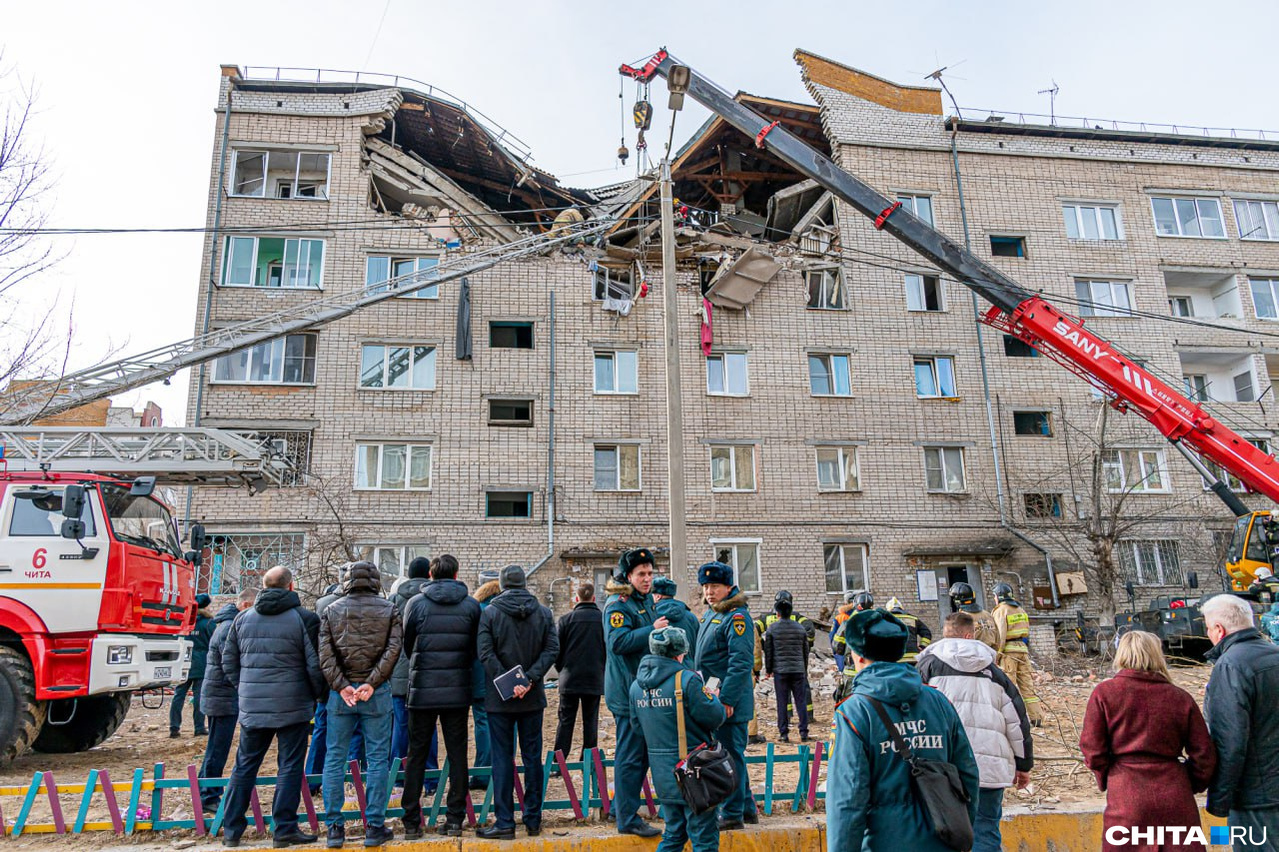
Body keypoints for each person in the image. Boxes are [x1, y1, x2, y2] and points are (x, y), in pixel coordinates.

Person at [827, 608, 980, 852]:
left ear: (858, 656)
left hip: (883, 842)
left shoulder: (854, 713)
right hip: (942, 839)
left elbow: (847, 800)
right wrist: (962, 829)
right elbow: (968, 774)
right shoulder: (938, 702)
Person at [1079, 630, 1216, 852]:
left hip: (1126, 794)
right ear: (1157, 655)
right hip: (1174, 793)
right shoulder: (1179, 696)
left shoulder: (1104, 693)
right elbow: (1204, 754)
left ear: (1121, 655)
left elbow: (1092, 750)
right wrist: (1187, 782)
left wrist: (1109, 778)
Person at [220, 566, 326, 848]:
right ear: (291, 587)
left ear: (264, 586)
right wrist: (319, 696)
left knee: (245, 766)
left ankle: (232, 830)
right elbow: (314, 665)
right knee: (289, 767)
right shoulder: (304, 619)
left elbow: (228, 661)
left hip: (253, 706)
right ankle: (285, 829)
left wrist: (244, 689)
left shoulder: (243, 618)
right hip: (294, 704)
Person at [917, 611, 1033, 852]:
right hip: (987, 768)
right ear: (970, 635)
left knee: (938, 831)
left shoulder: (926, 667)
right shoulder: (994, 674)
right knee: (986, 830)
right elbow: (1017, 723)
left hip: (941, 765)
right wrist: (1024, 765)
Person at [318, 561, 402, 849]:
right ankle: (374, 826)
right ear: (376, 580)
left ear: (346, 581)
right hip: (375, 693)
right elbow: (393, 650)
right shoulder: (389, 609)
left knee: (334, 759)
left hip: (342, 695)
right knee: (378, 759)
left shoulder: (332, 609)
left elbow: (325, 655)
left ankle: (334, 829)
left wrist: (342, 686)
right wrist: (372, 683)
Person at [401, 554, 481, 839]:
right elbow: (475, 647)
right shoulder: (471, 605)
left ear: (431, 575)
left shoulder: (416, 603)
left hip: (422, 688)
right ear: (457, 575)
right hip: (458, 688)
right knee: (458, 754)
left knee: (417, 754)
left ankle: (412, 821)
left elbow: (408, 644)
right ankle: (455, 818)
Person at [475, 565, 559, 840]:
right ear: (525, 583)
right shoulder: (544, 613)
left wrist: (509, 683)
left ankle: (504, 822)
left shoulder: (490, 613)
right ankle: (533, 820)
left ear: (501, 584)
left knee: (502, 759)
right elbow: (552, 650)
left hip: (500, 699)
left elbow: (485, 653)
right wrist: (531, 679)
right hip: (532, 697)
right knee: (532, 758)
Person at [630, 627, 726, 852]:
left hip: (664, 775)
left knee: (674, 833)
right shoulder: (687, 680)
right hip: (694, 774)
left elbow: (637, 727)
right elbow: (715, 717)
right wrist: (714, 699)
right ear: (679, 653)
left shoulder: (636, 686)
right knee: (705, 840)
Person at [1202, 594, 1279, 848]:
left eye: (1207, 627)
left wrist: (1219, 802)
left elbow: (1229, 741)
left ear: (1218, 630)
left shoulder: (1230, 666)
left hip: (1256, 799)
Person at [603, 548, 667, 837]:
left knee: (638, 754)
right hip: (627, 693)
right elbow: (618, 642)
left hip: (641, 690)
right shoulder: (618, 605)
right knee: (631, 755)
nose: (647, 578)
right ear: (628, 576)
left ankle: (620, 808)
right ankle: (627, 820)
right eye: (641, 574)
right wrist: (651, 631)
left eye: (650, 573)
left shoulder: (643, 602)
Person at [695, 560, 754, 831]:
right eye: (706, 586)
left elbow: (740, 663)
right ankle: (746, 808)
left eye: (715, 586)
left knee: (731, 756)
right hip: (713, 697)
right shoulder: (713, 613)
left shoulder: (737, 617)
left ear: (728, 586)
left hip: (729, 701)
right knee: (730, 754)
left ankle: (732, 813)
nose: (709, 591)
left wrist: (728, 699)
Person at [198, 589, 255, 814]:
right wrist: (245, 686)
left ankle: (207, 790)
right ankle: (208, 794)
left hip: (220, 695)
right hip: (221, 697)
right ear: (245, 605)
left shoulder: (226, 623)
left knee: (216, 745)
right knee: (217, 747)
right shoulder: (229, 628)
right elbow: (230, 664)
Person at [552, 580, 605, 769]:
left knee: (565, 721)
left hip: (570, 678)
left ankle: (558, 763)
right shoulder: (603, 619)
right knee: (591, 720)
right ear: (593, 598)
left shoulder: (566, 620)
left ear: (577, 598)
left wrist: (562, 670)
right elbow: (607, 650)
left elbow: (556, 650)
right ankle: (588, 761)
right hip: (594, 678)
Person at [389, 557, 434, 780]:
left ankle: (397, 775)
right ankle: (431, 777)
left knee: (400, 725)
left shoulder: (394, 600)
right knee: (429, 727)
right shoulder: (430, 598)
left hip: (399, 671)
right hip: (426, 672)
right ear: (429, 575)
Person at [990, 583, 1043, 725]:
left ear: (999, 597)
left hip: (1009, 652)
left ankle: (1011, 719)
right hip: (1023, 650)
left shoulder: (1001, 610)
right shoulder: (1020, 609)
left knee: (1009, 686)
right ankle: (1036, 717)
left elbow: (1000, 634)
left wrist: (997, 655)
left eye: (994, 596)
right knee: (1027, 686)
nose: (994, 599)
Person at [762, 591, 816, 724]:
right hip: (797, 663)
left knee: (783, 693)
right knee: (802, 692)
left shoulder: (767, 619)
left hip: (780, 664)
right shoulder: (798, 619)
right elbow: (810, 633)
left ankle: (786, 719)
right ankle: (807, 718)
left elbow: (754, 631)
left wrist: (762, 646)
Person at [469, 576, 502, 790]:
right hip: (502, 676)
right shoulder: (502, 611)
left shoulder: (475, 611)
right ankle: (499, 769)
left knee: (482, 722)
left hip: (478, 675)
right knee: (501, 724)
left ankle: (482, 772)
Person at [171, 594, 217, 738]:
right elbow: (214, 642)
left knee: (179, 695)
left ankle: (174, 728)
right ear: (207, 606)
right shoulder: (209, 623)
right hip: (202, 662)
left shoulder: (184, 621)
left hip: (184, 661)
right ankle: (199, 727)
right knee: (199, 696)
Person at [651, 576, 701, 668]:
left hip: (662, 672)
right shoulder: (691, 617)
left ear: (658, 596)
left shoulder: (653, 617)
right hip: (689, 672)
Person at [949, 582, 999, 653]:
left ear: (957, 600)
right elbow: (997, 638)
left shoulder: (960, 619)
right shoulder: (987, 615)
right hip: (990, 656)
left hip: (973, 657)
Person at [884, 596, 933, 663]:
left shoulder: (885, 620)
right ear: (901, 608)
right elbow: (927, 633)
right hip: (912, 657)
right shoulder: (913, 619)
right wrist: (922, 647)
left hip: (894, 658)